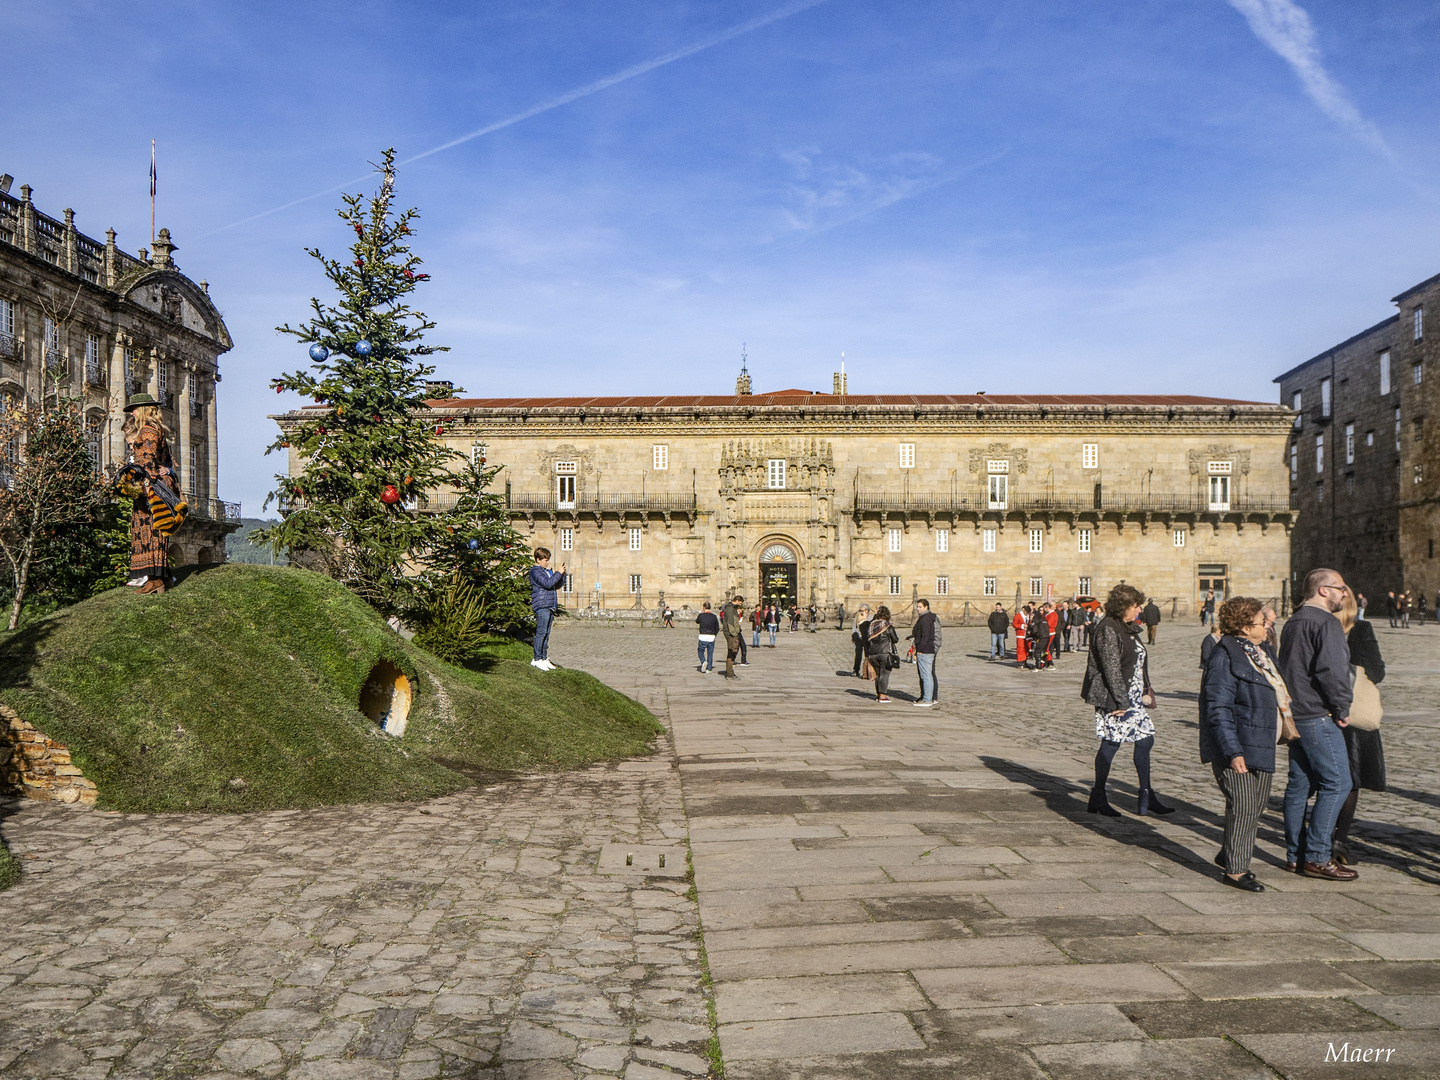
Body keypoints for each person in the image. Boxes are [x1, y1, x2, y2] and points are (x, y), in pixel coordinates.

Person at [1201, 596, 1289, 892]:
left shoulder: (1260, 652)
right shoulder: (1224, 656)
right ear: (1242, 626)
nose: (1267, 625)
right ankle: (1236, 871)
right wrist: (1232, 750)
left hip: (1261, 740)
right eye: (1261, 622)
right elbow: (1218, 707)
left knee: (1256, 805)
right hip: (1238, 744)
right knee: (1244, 805)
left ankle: (1229, 851)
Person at [1278, 568, 1358, 881]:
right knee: (1338, 783)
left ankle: (1295, 856)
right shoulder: (1326, 622)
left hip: (1294, 712)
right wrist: (1342, 708)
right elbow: (1332, 671)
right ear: (1324, 590)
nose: (1344, 594)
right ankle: (1317, 856)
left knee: (1299, 785)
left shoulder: (1294, 620)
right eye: (1340, 588)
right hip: (1316, 714)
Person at [1081, 583, 1172, 817]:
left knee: (1145, 740)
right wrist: (1121, 702)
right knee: (1111, 744)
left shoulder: (1127, 627)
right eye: (1135, 606)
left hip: (1132, 696)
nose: (1139, 610)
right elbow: (1111, 668)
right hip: (1116, 695)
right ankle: (1099, 796)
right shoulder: (1108, 628)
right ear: (1123, 607)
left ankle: (1145, 794)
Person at [1333, 589, 1386, 866]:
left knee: (1323, 780)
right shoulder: (1361, 629)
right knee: (1351, 781)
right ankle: (1338, 839)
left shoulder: (1321, 626)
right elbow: (1377, 671)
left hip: (1323, 713)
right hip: (1354, 716)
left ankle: (1314, 838)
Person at [122, 394, 180, 595]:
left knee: (149, 530)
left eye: (135, 408)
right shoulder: (157, 429)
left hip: (151, 486)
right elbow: (167, 462)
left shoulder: (147, 431)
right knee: (158, 530)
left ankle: (155, 579)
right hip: (159, 484)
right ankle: (162, 577)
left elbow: (146, 462)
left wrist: (144, 483)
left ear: (145, 409)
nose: (132, 412)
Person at [527, 547, 568, 670]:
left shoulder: (546, 571)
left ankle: (544, 658)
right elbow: (547, 583)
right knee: (541, 633)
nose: (547, 562)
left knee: (546, 633)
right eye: (545, 560)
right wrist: (557, 573)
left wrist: (562, 575)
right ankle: (536, 658)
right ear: (538, 560)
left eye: (548, 560)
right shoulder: (535, 571)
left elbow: (556, 584)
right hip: (542, 605)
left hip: (550, 605)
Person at [866, 605, 899, 702]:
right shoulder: (888, 626)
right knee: (884, 674)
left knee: (878, 674)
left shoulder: (871, 626)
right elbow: (895, 640)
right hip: (884, 653)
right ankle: (882, 695)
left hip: (873, 654)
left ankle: (878, 694)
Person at [910, 599, 939, 707]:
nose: (918, 609)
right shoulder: (925, 618)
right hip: (926, 649)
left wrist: (920, 649)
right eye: (917, 607)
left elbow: (926, 635)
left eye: (920, 607)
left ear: (926, 607)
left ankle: (927, 699)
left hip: (925, 650)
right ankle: (926, 697)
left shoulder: (925, 619)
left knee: (926, 675)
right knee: (925, 675)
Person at [722, 596, 742, 678]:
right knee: (731, 652)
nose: (740, 605)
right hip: (731, 634)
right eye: (740, 603)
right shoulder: (730, 609)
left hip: (732, 632)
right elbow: (730, 623)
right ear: (737, 600)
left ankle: (730, 672)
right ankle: (729, 673)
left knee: (733, 651)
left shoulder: (732, 608)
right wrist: (734, 633)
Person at [695, 602, 719, 672]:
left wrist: (702, 613)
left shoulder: (701, 615)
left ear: (704, 608)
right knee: (710, 653)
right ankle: (709, 668)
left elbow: (697, 621)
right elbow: (717, 627)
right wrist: (714, 635)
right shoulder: (714, 616)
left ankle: (703, 661)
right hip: (711, 636)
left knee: (700, 651)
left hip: (703, 636)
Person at [850, 604, 871, 675]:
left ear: (867, 611)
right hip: (858, 637)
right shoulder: (857, 617)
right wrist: (853, 636)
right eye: (859, 610)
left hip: (867, 638)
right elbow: (854, 627)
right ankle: (856, 669)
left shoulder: (871, 618)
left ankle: (867, 671)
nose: (860, 612)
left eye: (861, 610)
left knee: (867, 654)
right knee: (858, 653)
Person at [734, 597, 750, 666]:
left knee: (741, 646)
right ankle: (740, 661)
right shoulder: (734, 614)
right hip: (736, 631)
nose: (741, 610)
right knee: (740, 646)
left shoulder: (739, 614)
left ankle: (742, 661)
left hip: (738, 630)